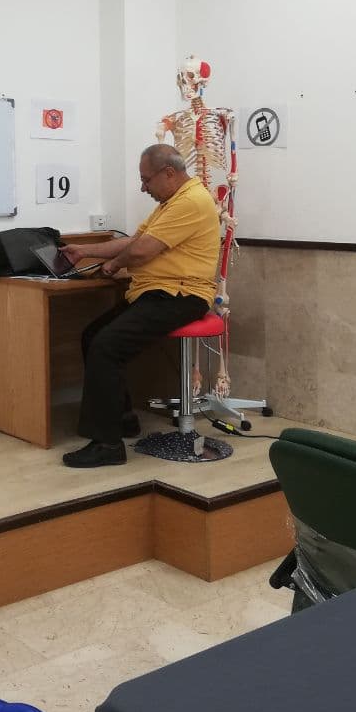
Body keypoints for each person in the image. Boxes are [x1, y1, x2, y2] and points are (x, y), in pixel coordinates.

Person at [58, 143, 220, 468]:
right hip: (158, 293)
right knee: (94, 335)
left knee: (107, 346)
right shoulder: (170, 203)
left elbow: (142, 251)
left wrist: (115, 264)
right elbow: (135, 241)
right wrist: (84, 251)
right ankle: (122, 418)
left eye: (146, 180)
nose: (143, 187)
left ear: (169, 173)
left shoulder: (191, 201)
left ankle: (107, 444)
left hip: (182, 296)